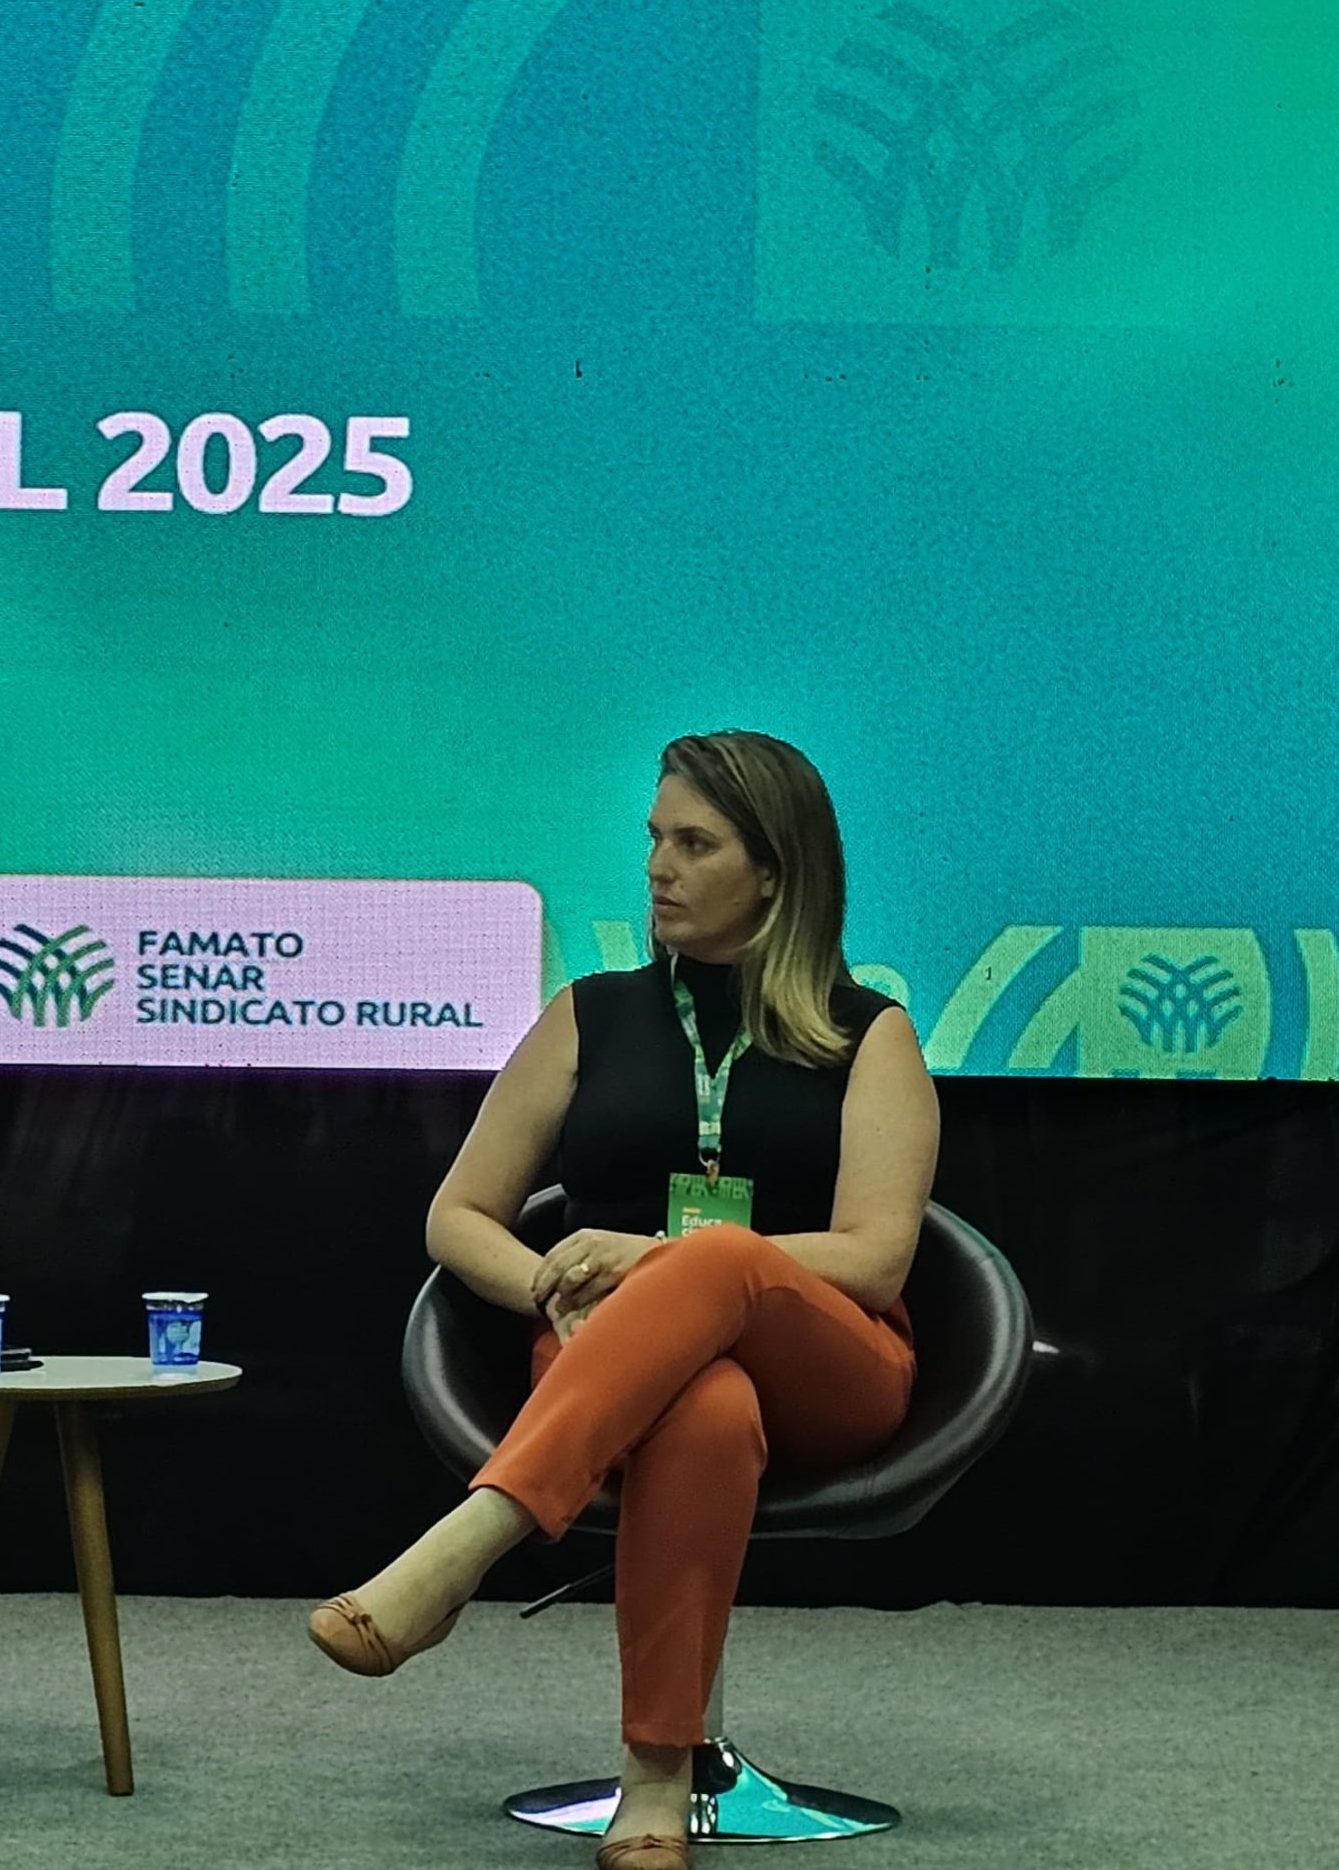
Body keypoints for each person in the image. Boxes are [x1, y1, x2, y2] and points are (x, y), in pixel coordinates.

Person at [307, 732, 937, 1870]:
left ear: (774, 872)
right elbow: (459, 1216)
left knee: (713, 1259)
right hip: (602, 1358)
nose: (657, 866)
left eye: (694, 844)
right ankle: (656, 1774)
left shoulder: (869, 1032)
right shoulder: (588, 1014)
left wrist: (655, 1259)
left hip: (828, 1364)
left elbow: (877, 1258)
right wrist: (548, 1287)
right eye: (654, 838)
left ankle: (471, 1541)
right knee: (703, 1407)